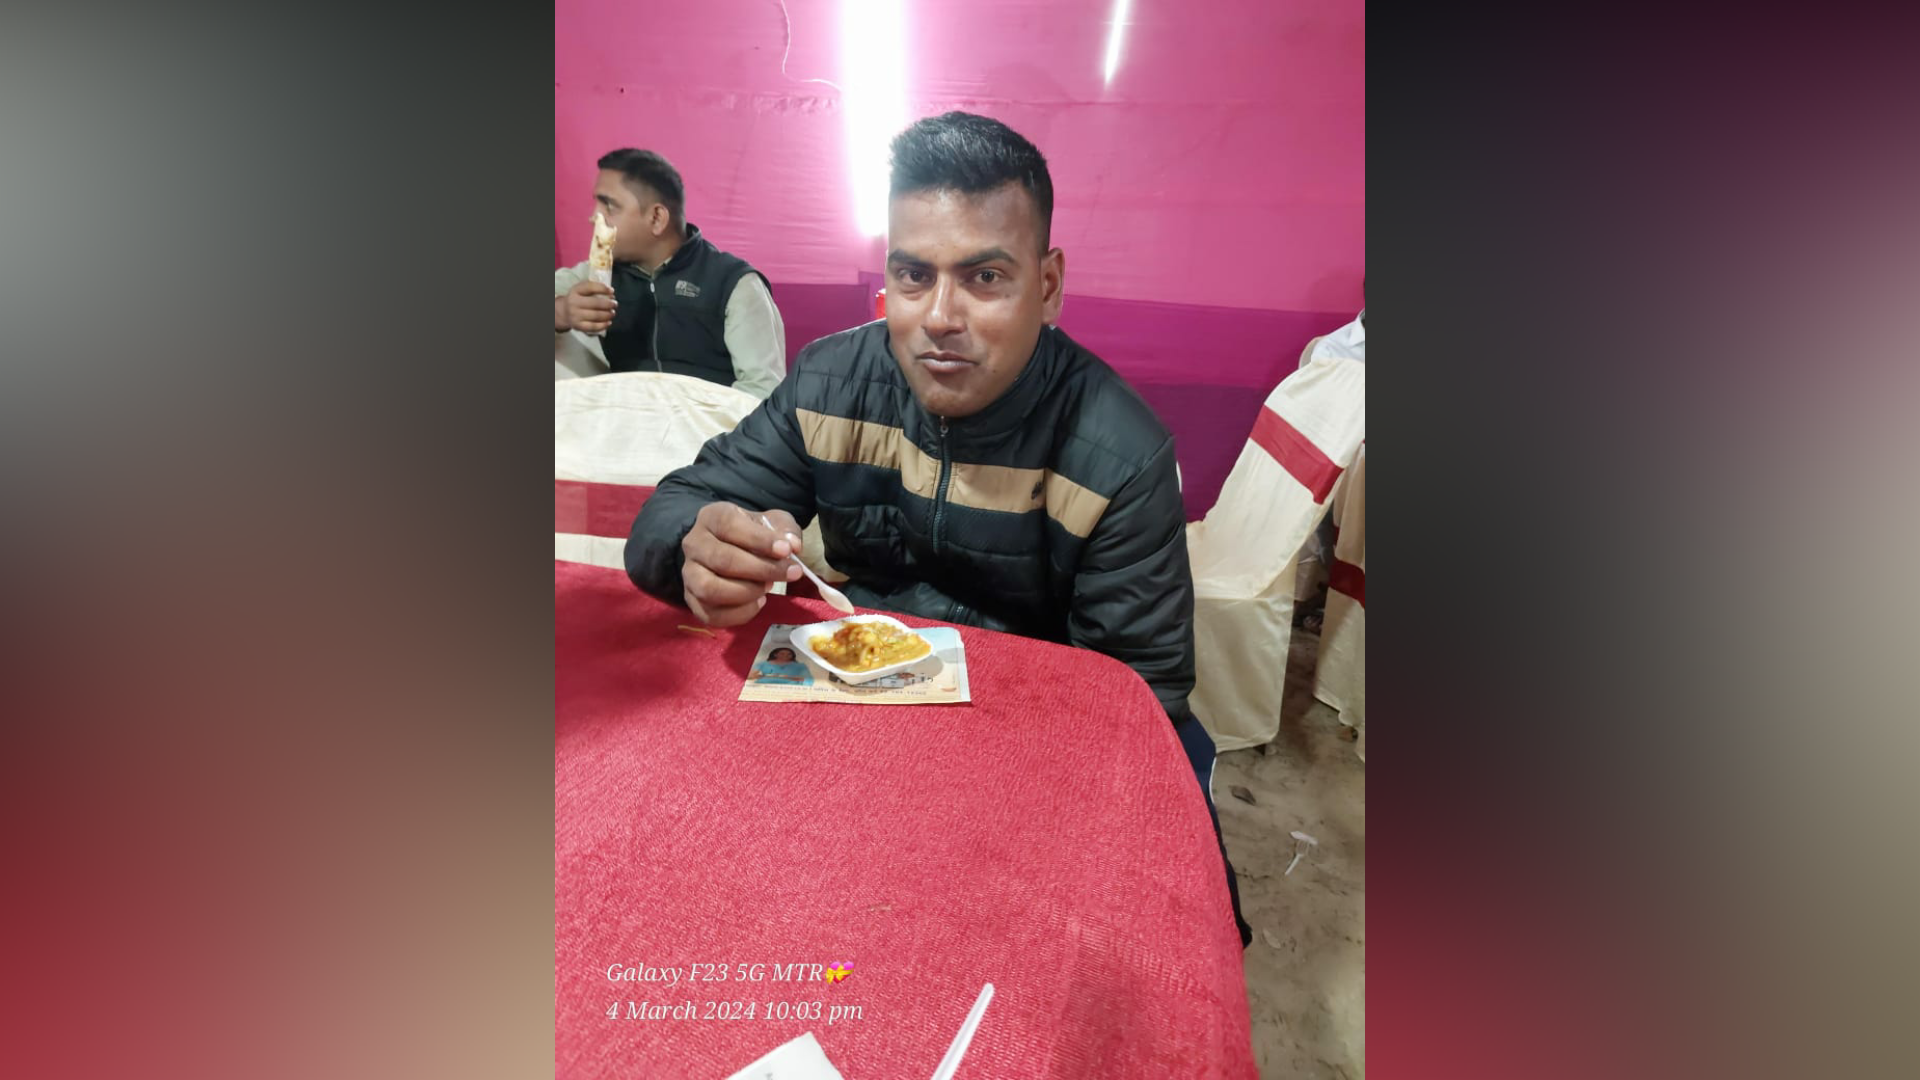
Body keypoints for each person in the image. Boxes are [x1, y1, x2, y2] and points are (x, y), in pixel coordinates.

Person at [625, 111, 1252, 947]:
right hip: (850, 715)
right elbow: (673, 511)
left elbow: (1134, 703)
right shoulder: (830, 381)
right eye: (913, 276)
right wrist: (695, 548)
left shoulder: (1118, 456)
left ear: (1048, 285)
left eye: (985, 277)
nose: (939, 317)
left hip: (1025, 751)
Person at [553, 148, 787, 398]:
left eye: (609, 206)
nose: (593, 217)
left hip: (710, 419)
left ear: (656, 218)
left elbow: (762, 391)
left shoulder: (735, 284)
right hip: (623, 414)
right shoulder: (597, 275)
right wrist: (563, 312)